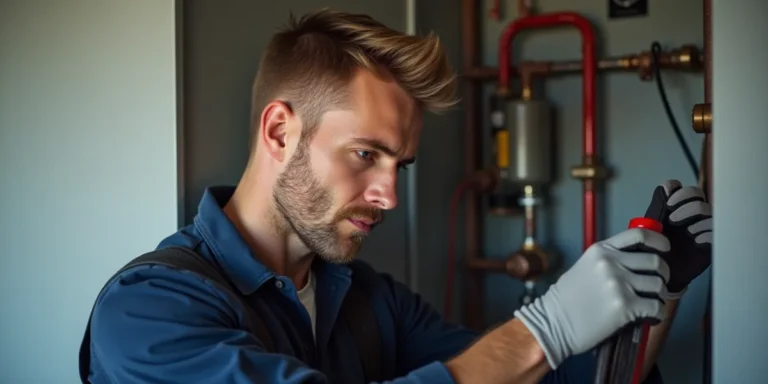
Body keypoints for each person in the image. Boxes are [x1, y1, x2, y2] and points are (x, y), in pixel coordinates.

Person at [79, 9, 713, 384]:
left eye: (399, 165)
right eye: (365, 155)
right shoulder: (146, 314)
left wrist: (657, 291)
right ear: (279, 131)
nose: (388, 194)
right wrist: (542, 328)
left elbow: (539, 377)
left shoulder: (369, 300)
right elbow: (528, 351)